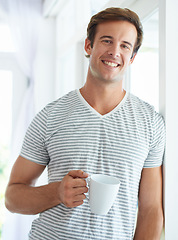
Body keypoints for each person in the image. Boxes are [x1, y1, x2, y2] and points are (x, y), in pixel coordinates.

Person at [5, 7, 165, 240]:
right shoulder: (50, 116)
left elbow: (151, 209)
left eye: (124, 46)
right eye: (107, 41)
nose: (114, 51)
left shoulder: (150, 122)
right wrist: (57, 192)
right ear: (89, 46)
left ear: (132, 57)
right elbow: (12, 197)